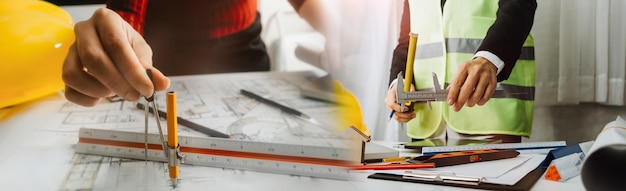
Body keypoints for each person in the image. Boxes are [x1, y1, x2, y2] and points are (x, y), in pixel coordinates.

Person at [62, 0, 339, 107]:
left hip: (245, 52)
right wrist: (114, 41)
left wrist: (345, 35)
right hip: (163, 57)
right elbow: (125, 15)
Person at [384, 0, 537, 143]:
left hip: (492, 117)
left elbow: (519, 4)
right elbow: (407, 38)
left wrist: (489, 59)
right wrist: (398, 84)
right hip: (425, 123)